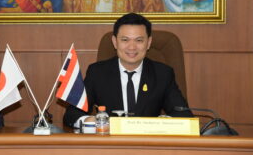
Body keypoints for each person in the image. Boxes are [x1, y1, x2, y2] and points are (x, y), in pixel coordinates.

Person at [63, 13, 192, 128]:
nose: (132, 47)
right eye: (125, 40)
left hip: (148, 146)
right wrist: (91, 120)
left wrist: (162, 123)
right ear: (115, 42)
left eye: (139, 40)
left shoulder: (163, 74)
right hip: (110, 146)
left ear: (148, 43)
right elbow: (72, 115)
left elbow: (184, 115)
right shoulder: (97, 72)